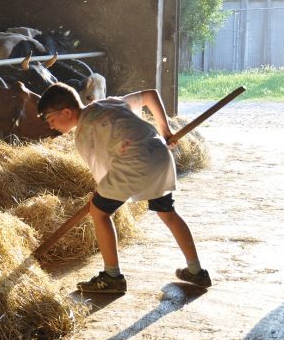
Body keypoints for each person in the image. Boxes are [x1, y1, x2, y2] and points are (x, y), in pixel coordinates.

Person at [37, 83, 211, 293]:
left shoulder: (83, 135)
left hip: (135, 161)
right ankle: (196, 270)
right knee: (167, 212)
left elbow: (102, 171)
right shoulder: (108, 103)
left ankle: (112, 277)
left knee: (99, 212)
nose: (51, 126)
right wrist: (165, 129)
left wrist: (99, 196)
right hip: (159, 154)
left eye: (51, 120)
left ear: (66, 112)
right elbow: (150, 94)